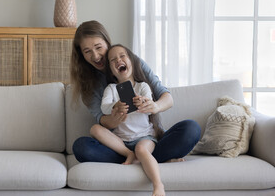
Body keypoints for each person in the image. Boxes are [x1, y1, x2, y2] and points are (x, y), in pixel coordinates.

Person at [70, 20, 201, 164]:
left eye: (98, 47)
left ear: (107, 43)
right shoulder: (88, 83)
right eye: (87, 51)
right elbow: (102, 120)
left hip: (148, 141)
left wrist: (154, 106)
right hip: (118, 145)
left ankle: (141, 157)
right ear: (81, 55)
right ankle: (141, 158)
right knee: (81, 147)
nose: (95, 56)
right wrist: (115, 115)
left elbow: (167, 98)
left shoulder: (131, 62)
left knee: (191, 128)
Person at [91, 44, 167, 196]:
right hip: (121, 141)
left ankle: (158, 184)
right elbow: (104, 108)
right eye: (113, 60)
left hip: (144, 136)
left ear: (132, 61)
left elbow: (150, 102)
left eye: (122, 56)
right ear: (112, 70)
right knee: (95, 129)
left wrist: (143, 102)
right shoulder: (111, 89)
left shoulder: (142, 86)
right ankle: (128, 154)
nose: (118, 60)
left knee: (142, 149)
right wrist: (114, 106)